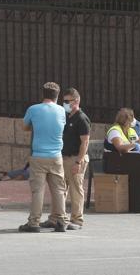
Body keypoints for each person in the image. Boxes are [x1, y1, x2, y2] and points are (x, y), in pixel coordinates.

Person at [19, 82, 68, 233]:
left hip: (38, 155)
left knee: (38, 191)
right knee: (59, 190)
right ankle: (61, 221)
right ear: (57, 96)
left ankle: (34, 222)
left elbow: (25, 127)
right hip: (56, 156)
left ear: (43, 94)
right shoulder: (61, 111)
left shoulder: (33, 109)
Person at [40, 87, 91, 231]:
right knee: (60, 190)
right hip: (63, 157)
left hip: (75, 158)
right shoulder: (66, 116)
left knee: (76, 189)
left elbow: (85, 142)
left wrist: (78, 161)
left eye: (68, 101)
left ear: (77, 101)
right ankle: (55, 218)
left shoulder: (81, 118)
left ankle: (77, 220)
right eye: (64, 101)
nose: (65, 104)